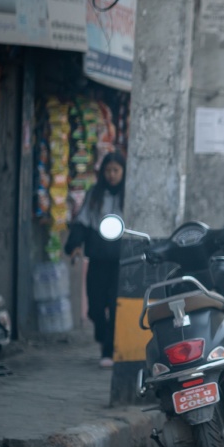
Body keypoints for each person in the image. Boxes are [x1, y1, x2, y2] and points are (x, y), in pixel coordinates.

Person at [64, 152, 126, 367]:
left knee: (115, 306)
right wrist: (74, 246)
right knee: (95, 308)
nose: (112, 175)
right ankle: (102, 334)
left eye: (116, 170)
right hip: (98, 258)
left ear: (123, 172)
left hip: (121, 261)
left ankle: (108, 351)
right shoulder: (95, 194)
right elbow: (82, 222)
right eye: (108, 170)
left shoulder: (131, 195)